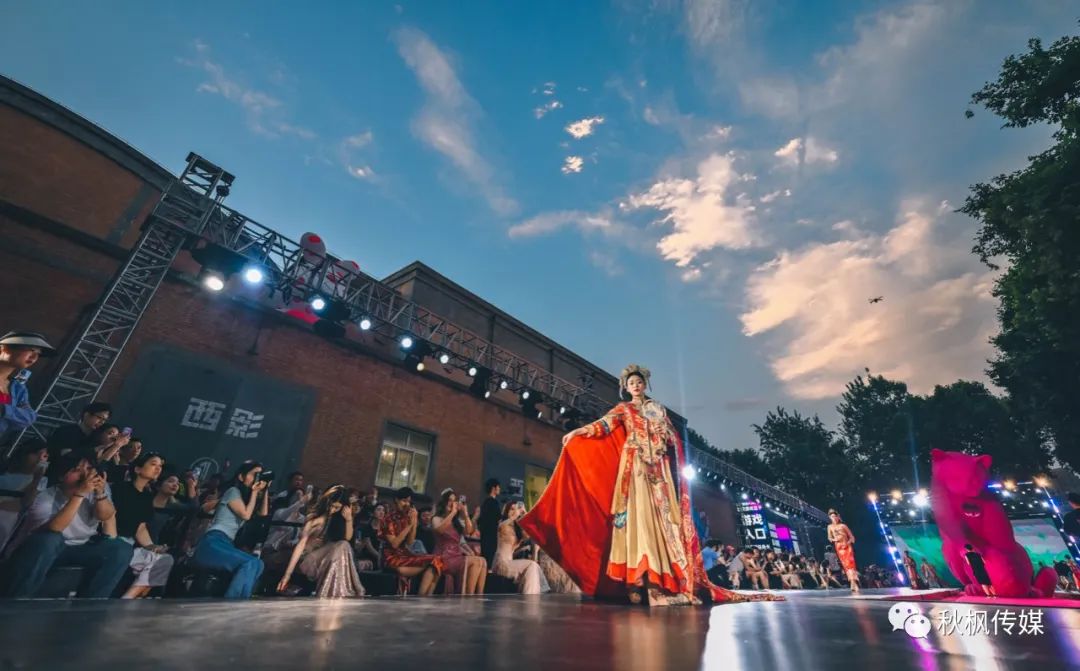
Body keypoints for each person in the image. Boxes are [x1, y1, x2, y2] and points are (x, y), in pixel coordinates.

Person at [521, 364, 780, 607]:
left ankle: (659, 580)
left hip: (657, 469)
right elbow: (603, 426)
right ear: (626, 387)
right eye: (631, 383)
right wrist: (578, 432)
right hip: (634, 468)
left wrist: (664, 437)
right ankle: (634, 580)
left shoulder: (657, 409)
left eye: (638, 382)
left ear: (645, 385)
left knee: (661, 521)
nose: (635, 385)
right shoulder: (623, 409)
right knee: (637, 519)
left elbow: (672, 437)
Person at [0, 450, 132, 598]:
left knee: (121, 548)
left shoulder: (95, 493)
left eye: (89, 469)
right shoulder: (45, 497)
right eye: (76, 470)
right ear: (61, 476)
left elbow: (105, 515)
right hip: (40, 551)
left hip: (79, 548)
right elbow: (55, 528)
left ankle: (92, 604)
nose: (84, 475)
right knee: (50, 539)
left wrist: (100, 494)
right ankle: (17, 600)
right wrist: (79, 494)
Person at [192, 461, 269, 599]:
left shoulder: (245, 500)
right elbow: (246, 515)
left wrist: (265, 489)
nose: (256, 478)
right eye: (254, 474)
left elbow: (263, 513)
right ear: (241, 477)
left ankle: (240, 602)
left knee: (259, 563)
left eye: (259, 475)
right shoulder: (232, 491)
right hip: (213, 542)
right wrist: (255, 492)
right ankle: (233, 604)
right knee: (250, 562)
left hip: (226, 543)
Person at [276, 485, 364, 598]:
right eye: (331, 506)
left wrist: (349, 520)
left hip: (327, 558)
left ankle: (336, 590)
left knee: (343, 544)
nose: (332, 509)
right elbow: (301, 545)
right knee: (342, 545)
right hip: (309, 559)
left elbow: (347, 537)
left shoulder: (336, 520)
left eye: (337, 507)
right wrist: (287, 575)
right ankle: (331, 590)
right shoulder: (315, 520)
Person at [108, 452, 174, 598]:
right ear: (138, 469)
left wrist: (152, 546)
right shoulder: (120, 489)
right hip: (111, 541)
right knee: (122, 551)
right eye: (153, 464)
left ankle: (127, 599)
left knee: (165, 560)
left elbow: (141, 527)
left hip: (130, 545)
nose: (158, 468)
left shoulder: (147, 497)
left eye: (160, 466)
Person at [378, 487, 444, 596]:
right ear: (396, 500)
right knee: (433, 561)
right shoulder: (388, 519)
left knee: (437, 560)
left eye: (408, 501)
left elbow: (409, 542)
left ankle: (426, 597)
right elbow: (394, 544)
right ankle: (422, 597)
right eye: (404, 501)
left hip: (404, 554)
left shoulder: (406, 517)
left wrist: (414, 523)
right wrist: (409, 525)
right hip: (390, 557)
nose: (407, 504)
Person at [0, 331, 54, 442]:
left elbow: (29, 417)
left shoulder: (18, 388)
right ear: (4, 348)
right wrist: (13, 412)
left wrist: (4, 410)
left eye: (38, 354)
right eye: (31, 350)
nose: (34, 357)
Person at [432, 488, 486, 595]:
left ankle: (479, 595)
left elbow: (469, 531)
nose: (452, 503)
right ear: (443, 502)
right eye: (449, 500)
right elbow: (440, 530)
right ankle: (468, 596)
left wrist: (465, 514)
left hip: (456, 556)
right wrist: (453, 513)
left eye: (454, 501)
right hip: (443, 556)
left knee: (482, 560)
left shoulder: (455, 522)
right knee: (475, 561)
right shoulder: (436, 518)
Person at [0, 439, 49, 555]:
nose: (40, 459)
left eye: (44, 456)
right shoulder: (4, 476)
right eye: (36, 454)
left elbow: (27, 503)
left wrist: (36, 479)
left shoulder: (42, 481)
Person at [494, 501, 545, 594]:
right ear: (506, 511)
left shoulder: (516, 528)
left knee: (532, 567)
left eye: (516, 509)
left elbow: (533, 532)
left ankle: (530, 596)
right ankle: (530, 597)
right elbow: (502, 525)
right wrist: (516, 515)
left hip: (510, 563)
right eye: (511, 509)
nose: (514, 511)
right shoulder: (502, 524)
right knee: (532, 565)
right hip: (500, 563)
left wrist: (526, 514)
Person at [45, 402, 111, 460]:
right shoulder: (65, 431)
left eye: (104, 420)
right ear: (86, 415)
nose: (102, 422)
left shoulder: (97, 438)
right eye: (99, 418)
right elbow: (59, 453)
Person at [827, 509, 859, 593]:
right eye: (832, 517)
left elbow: (852, 537)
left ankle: (852, 582)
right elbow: (829, 537)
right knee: (845, 565)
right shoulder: (829, 527)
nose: (834, 518)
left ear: (838, 517)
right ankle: (853, 582)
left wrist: (847, 543)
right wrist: (833, 539)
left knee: (850, 564)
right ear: (830, 517)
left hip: (847, 546)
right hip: (839, 547)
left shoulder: (843, 526)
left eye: (835, 516)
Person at [476, 478, 501, 567]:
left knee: (485, 562)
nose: (499, 489)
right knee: (490, 562)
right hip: (491, 536)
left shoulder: (485, 502)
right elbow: (498, 519)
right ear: (493, 488)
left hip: (484, 536)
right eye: (498, 487)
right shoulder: (493, 502)